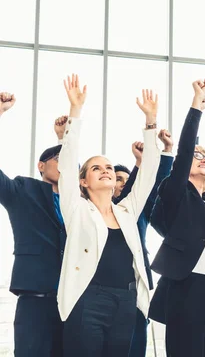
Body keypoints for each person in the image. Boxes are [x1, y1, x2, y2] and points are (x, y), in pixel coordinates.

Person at [57, 75, 160, 357]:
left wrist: (151, 120)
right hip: (87, 298)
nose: (106, 170)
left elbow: (149, 171)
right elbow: (67, 163)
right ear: (83, 182)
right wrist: (74, 111)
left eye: (109, 167)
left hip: (126, 301)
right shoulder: (76, 210)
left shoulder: (127, 211)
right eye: (96, 168)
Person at [149, 78, 205, 356]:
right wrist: (197, 106)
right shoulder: (177, 193)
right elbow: (184, 151)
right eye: (197, 156)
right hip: (188, 284)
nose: (203, 160)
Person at [0, 93, 66, 357]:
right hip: (35, 301)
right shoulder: (22, 190)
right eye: (59, 159)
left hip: (77, 304)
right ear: (42, 165)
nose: (67, 165)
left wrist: (65, 137)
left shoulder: (85, 203)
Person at [107, 133, 175, 357]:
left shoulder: (139, 210)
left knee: (135, 347)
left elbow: (157, 184)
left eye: (127, 179)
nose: (123, 183)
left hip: (136, 287)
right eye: (118, 178)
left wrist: (167, 150)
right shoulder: (93, 210)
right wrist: (138, 165)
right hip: (102, 289)